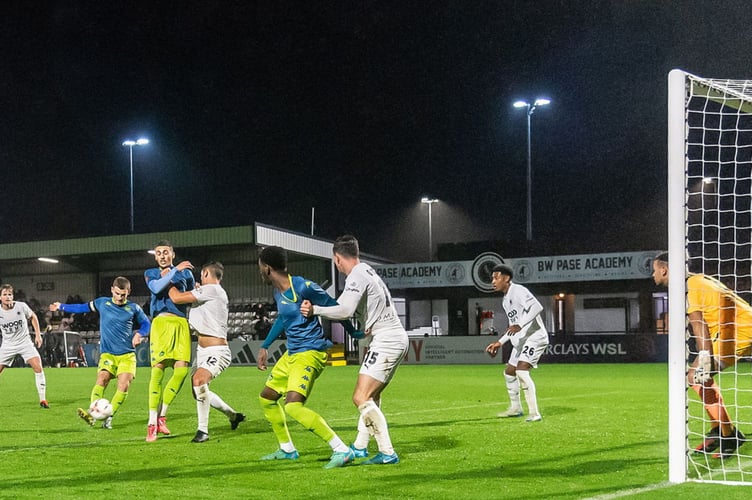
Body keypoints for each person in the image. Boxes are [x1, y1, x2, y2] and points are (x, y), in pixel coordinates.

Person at [300, 235, 408, 465]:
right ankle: (360, 446)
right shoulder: (367, 269)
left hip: (387, 338)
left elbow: (345, 310)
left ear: (338, 259)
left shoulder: (356, 275)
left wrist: (315, 310)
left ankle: (387, 452)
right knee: (372, 396)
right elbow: (348, 307)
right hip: (392, 336)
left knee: (360, 397)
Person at [256, 245, 355, 469]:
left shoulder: (302, 285)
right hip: (292, 353)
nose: (260, 271)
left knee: (293, 407)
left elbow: (336, 307)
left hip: (310, 353)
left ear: (268, 268)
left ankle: (341, 449)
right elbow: (283, 319)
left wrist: (355, 333)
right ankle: (287, 450)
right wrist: (265, 346)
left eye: (260, 267)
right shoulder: (277, 291)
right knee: (267, 398)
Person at [652, 252, 749, 458]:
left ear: (664, 269)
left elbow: (699, 323)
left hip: (738, 332)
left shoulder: (689, 286)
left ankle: (729, 435)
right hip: (740, 327)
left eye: (654, 270)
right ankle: (720, 431)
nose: (653, 275)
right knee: (698, 378)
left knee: (696, 377)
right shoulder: (699, 279)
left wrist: (704, 356)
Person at [50, 277, 151, 429]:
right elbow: (82, 307)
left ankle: (108, 417)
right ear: (112, 290)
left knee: (123, 386)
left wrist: (140, 334)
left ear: (128, 292)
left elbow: (146, 324)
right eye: (117, 293)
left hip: (127, 355)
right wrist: (61, 306)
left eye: (123, 295)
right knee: (102, 379)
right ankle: (92, 415)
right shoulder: (102, 303)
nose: (119, 298)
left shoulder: (134, 308)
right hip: (108, 354)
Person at [167, 261, 245, 442]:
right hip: (202, 350)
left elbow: (176, 298)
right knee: (198, 390)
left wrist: (167, 280)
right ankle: (234, 416)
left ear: (206, 273)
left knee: (199, 380)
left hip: (217, 351)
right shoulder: (211, 292)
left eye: (201, 275)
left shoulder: (213, 290)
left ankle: (203, 431)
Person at [144, 239, 196, 442]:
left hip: (181, 324)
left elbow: (191, 293)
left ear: (172, 254)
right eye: (158, 253)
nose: (162, 256)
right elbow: (156, 288)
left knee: (181, 371)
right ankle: (151, 423)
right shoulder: (151, 273)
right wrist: (175, 272)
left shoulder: (186, 273)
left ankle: (162, 416)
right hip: (161, 324)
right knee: (158, 373)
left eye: (165, 252)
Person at [484, 264, 549, 422]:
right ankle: (516, 408)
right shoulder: (506, 300)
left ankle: (534, 413)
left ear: (506, 278)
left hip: (535, 337)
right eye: (492, 278)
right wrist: (499, 342)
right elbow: (513, 326)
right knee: (509, 372)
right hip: (521, 341)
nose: (493, 281)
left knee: (521, 371)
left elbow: (536, 307)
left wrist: (521, 324)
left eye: (496, 277)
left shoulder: (518, 290)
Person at [0, 284, 48, 408]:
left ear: (13, 296)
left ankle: (43, 400)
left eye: (9, 294)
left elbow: (33, 317)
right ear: (0, 297)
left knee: (38, 366)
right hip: (8, 345)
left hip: (24, 343)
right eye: (4, 294)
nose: (7, 297)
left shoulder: (21, 306)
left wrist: (38, 335)